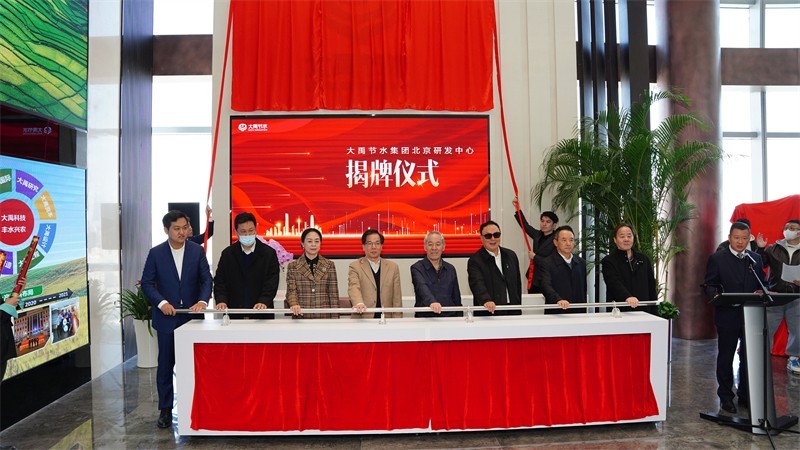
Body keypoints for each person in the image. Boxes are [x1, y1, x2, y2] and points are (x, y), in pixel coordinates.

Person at [141, 210, 212, 429]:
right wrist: (162, 303)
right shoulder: (156, 253)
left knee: (194, 364)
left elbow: (206, 280)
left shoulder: (196, 251)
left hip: (192, 317)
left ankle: (197, 407)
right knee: (165, 364)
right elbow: (147, 284)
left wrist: (202, 301)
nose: (182, 232)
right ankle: (165, 409)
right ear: (167, 230)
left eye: (185, 227)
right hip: (167, 318)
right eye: (176, 228)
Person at [704, 221, 767, 414]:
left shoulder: (755, 258)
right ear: (729, 238)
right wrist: (716, 297)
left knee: (749, 357)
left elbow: (762, 283)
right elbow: (710, 284)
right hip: (727, 315)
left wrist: (763, 292)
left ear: (749, 239)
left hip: (750, 315)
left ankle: (746, 395)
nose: (740, 242)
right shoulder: (717, 258)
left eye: (744, 238)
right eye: (736, 238)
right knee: (726, 356)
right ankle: (726, 397)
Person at [213, 212, 280, 319]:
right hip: (234, 313)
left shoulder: (268, 253)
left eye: (251, 230)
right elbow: (220, 281)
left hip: (261, 313)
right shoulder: (228, 254)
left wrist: (264, 301)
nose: (248, 234)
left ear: (256, 229)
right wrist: (221, 300)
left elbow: (271, 282)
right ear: (236, 232)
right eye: (243, 232)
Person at [756, 219, 800, 375]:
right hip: (775, 295)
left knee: (797, 330)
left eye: (793, 228)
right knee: (767, 328)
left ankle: (794, 358)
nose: (789, 230)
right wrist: (761, 249)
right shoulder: (773, 249)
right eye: (787, 227)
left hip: (797, 296)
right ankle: (762, 357)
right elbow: (759, 265)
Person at [601, 223, 658, 315]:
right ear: (615, 240)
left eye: (629, 236)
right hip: (620, 311)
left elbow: (651, 285)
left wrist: (654, 312)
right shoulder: (609, 261)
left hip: (644, 311)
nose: (626, 239)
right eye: (622, 236)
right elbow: (613, 282)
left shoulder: (643, 259)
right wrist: (627, 297)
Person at [467, 220, 522, 316]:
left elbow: (517, 285)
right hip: (489, 313)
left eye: (496, 235)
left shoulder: (511, 255)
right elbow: (477, 284)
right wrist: (486, 300)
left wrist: (518, 307)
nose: (493, 239)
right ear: (481, 238)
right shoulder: (475, 261)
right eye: (488, 236)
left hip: (512, 311)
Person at [285, 228, 340, 319]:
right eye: (309, 241)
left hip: (324, 316)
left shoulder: (329, 265)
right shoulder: (293, 266)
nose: (313, 244)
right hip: (301, 315)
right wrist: (294, 304)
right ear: (302, 243)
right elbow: (291, 291)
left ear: (320, 243)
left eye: (317, 241)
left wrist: (335, 319)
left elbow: (333, 295)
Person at [349, 230, 403, 318]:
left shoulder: (393, 267)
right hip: (363, 317)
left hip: (386, 318)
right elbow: (353, 287)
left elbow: (397, 298)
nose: (373, 247)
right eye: (369, 243)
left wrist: (397, 320)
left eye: (377, 243)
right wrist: (359, 303)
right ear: (363, 247)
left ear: (382, 246)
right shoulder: (355, 266)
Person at [512, 198, 559, 293]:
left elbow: (552, 262)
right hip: (533, 278)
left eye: (548, 222)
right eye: (542, 221)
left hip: (548, 279)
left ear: (554, 225)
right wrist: (517, 208)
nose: (544, 224)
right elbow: (525, 225)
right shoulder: (537, 235)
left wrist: (535, 257)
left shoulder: (557, 240)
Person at [410, 231, 462, 317]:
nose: (434, 248)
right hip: (425, 318)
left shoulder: (450, 269)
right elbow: (422, 288)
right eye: (430, 244)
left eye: (438, 244)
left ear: (443, 247)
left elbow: (456, 298)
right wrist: (432, 302)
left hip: (449, 318)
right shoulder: (417, 268)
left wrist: (460, 318)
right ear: (425, 247)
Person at [540, 225, 587, 314]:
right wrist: (558, 300)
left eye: (571, 240)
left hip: (578, 313)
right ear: (555, 242)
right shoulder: (547, 263)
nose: (568, 243)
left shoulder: (581, 262)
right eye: (564, 240)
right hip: (556, 312)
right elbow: (545, 286)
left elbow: (583, 289)